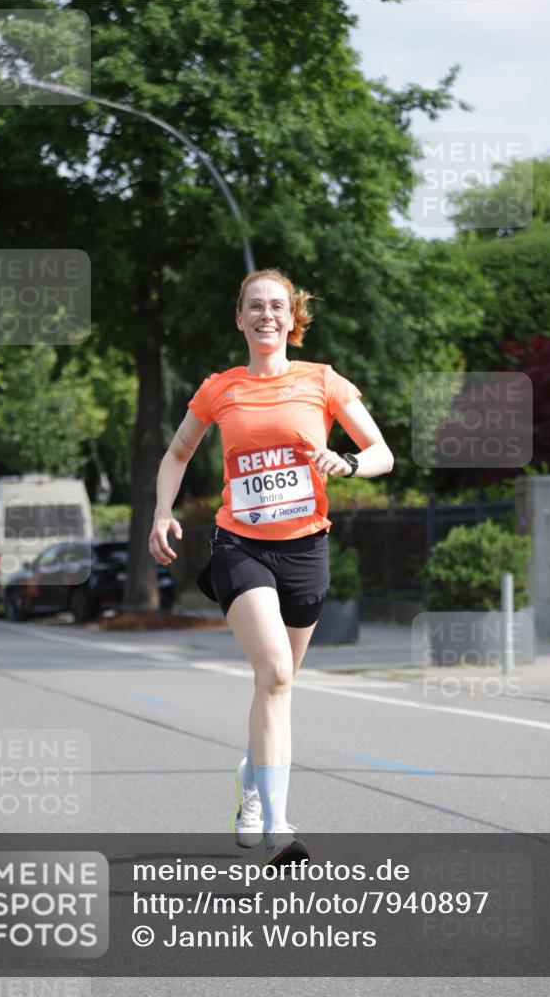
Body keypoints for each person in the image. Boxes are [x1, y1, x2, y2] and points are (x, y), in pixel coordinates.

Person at [148, 268, 394, 867]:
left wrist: (349, 464)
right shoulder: (220, 389)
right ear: (240, 319)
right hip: (241, 546)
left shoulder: (323, 382)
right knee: (277, 673)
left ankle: (252, 783)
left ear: (292, 319)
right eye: (254, 306)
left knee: (277, 686)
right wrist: (161, 511)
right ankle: (280, 826)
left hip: (306, 549)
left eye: (277, 307)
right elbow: (178, 452)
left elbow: (382, 453)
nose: (266, 315)